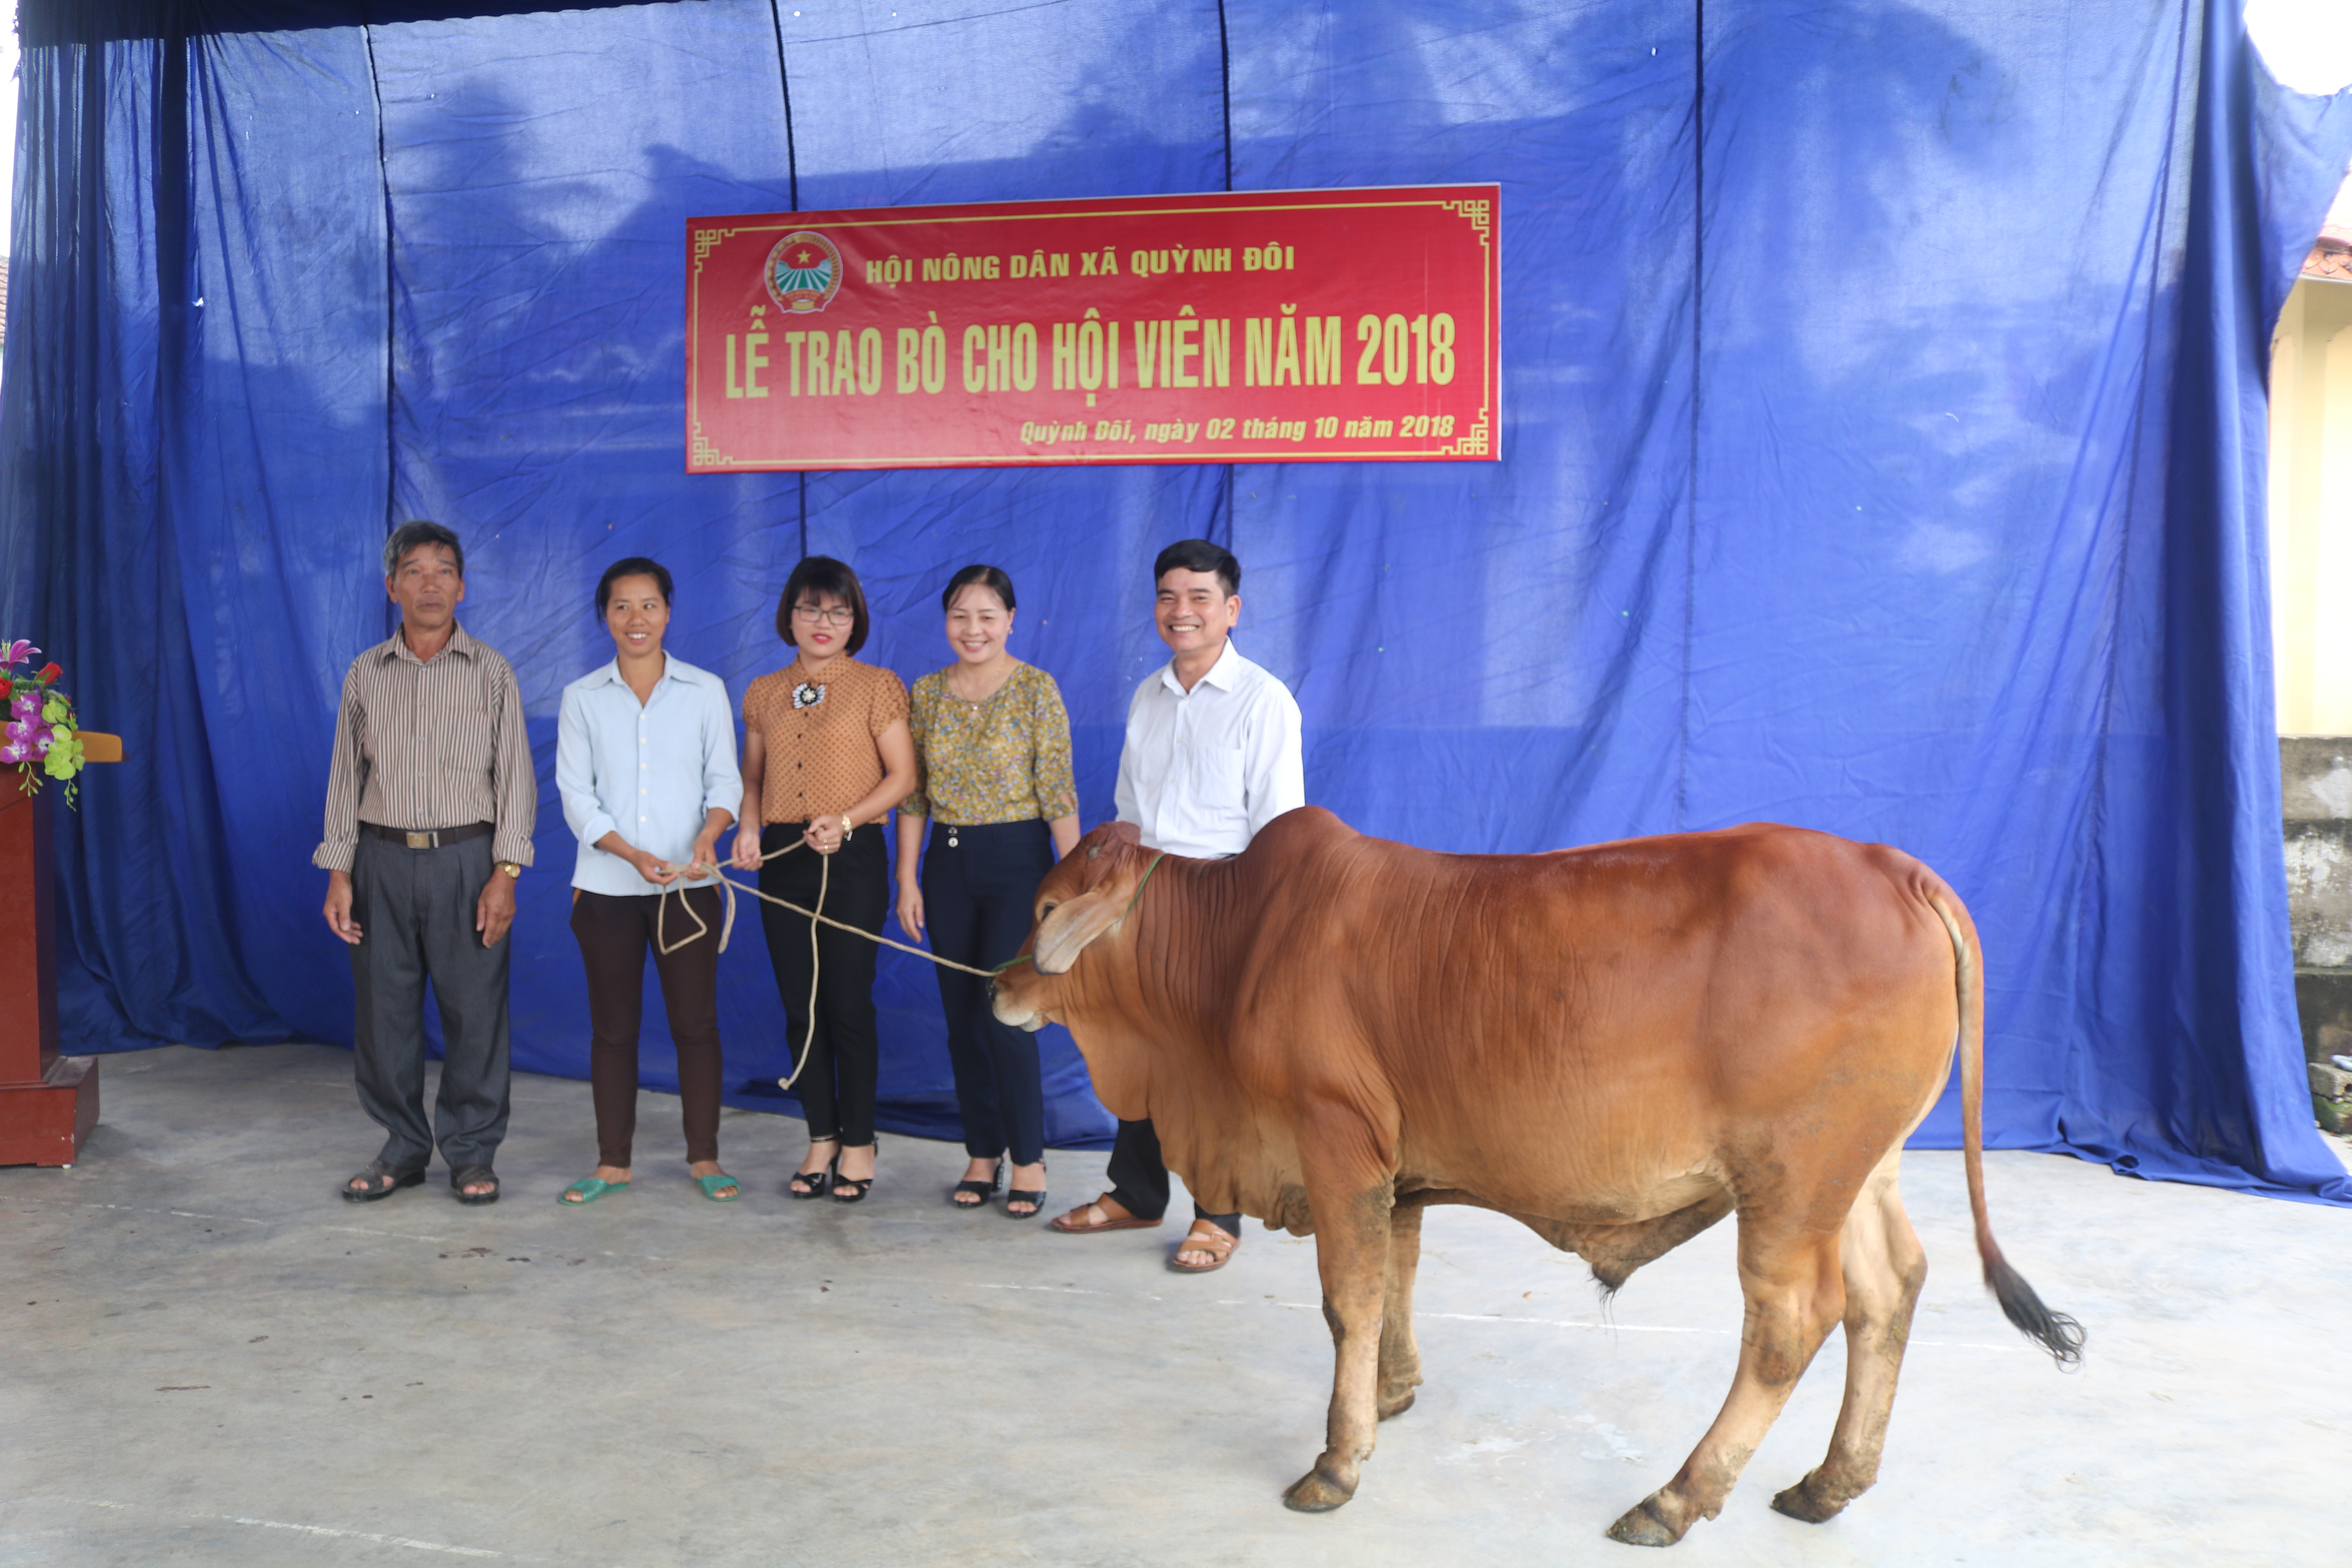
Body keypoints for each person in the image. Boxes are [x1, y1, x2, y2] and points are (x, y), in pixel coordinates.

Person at [1049, 538, 1303, 1272]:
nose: (1181, 612)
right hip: (1143, 899)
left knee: (1205, 1065)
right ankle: (1135, 1193)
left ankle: (1217, 1216)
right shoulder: (1148, 696)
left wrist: (1257, 928)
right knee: (1137, 1046)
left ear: (1232, 609)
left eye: (1199, 598)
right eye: (1168, 597)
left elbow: (1281, 831)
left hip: (1222, 902)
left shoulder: (1264, 700)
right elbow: (1129, 810)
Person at [318, 520, 536, 1205]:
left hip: (467, 860)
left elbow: (517, 782)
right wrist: (339, 870)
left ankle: (471, 1153)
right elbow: (344, 779)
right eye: (415, 570)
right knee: (385, 1013)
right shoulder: (365, 673)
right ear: (392, 588)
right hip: (381, 859)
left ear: (463, 587)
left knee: (475, 1012)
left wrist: (507, 872)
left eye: (444, 570)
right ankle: (403, 1147)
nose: (431, 582)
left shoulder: (492, 671)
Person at [554, 558, 744, 1205]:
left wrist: (707, 837)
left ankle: (704, 1158)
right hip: (606, 891)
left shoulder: (704, 690)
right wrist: (630, 854)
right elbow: (576, 796)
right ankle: (613, 1163)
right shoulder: (582, 697)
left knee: (695, 1024)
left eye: (649, 605)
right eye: (622, 607)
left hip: (688, 890)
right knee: (613, 1030)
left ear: (669, 611)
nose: (637, 619)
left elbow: (726, 783)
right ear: (604, 616)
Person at [895, 565, 1080, 1218]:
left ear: (1010, 621)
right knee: (962, 1020)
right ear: (946, 622)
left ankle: (1028, 1158)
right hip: (946, 866)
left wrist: (1071, 893)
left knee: (1009, 1015)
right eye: (959, 617)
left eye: (987, 617)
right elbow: (913, 795)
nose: (973, 630)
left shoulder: (1035, 690)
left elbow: (1058, 794)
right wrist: (906, 879)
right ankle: (982, 1152)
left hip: (1018, 864)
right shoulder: (925, 693)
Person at [731, 556, 916, 1203]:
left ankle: (860, 1142)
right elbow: (751, 778)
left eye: (839, 611)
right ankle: (821, 1136)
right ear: (789, 615)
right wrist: (750, 829)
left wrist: (846, 819)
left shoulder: (876, 686)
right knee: (800, 1004)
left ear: (855, 620)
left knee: (847, 1002)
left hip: (851, 851)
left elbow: (902, 777)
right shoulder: (763, 692)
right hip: (784, 856)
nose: (823, 622)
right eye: (810, 609)